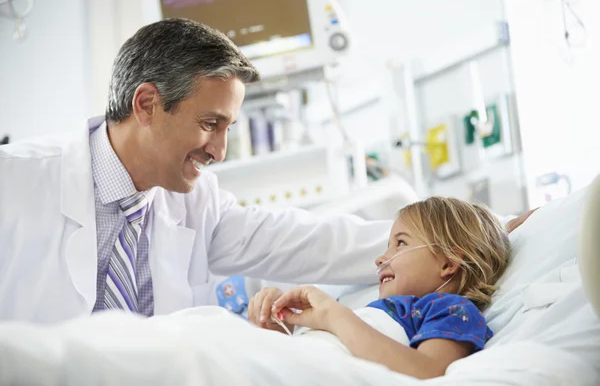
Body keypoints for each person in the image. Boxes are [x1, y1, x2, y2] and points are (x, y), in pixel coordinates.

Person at [0, 18, 533, 323]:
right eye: (210, 123)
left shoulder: (195, 202)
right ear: (146, 105)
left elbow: (306, 241)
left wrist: (473, 230)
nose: (220, 151)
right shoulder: (15, 181)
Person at [249, 197, 511, 379]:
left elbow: (428, 373)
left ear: (449, 263)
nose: (380, 258)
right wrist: (280, 327)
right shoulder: (371, 310)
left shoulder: (451, 310)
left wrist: (334, 315)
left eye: (400, 243)